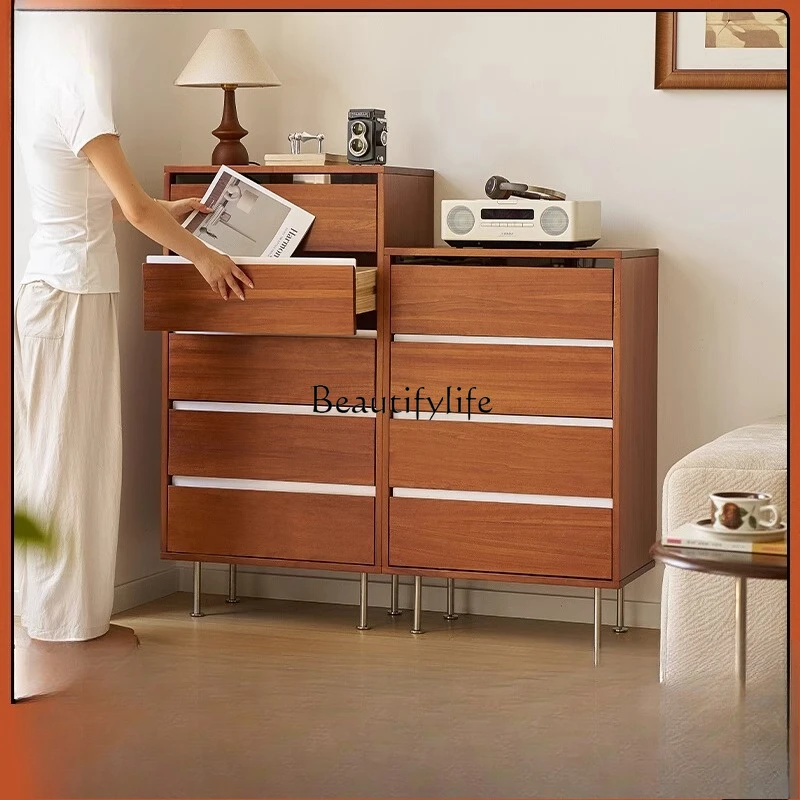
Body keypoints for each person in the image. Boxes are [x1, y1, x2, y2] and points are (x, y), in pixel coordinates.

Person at [14, 15, 252, 642]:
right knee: (68, 460)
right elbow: (135, 208)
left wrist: (159, 211)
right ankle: (63, 625)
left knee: (57, 455)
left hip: (58, 287)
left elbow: (102, 201)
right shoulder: (78, 83)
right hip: (70, 293)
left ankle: (60, 616)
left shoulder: (39, 75)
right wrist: (206, 256)